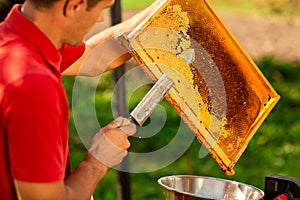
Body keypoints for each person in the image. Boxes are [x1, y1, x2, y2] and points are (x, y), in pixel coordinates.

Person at [0, 0, 163, 199]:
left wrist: (162, 10)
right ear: (74, 6)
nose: (101, 18)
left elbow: (97, 56)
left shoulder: (16, 40)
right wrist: (97, 161)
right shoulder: (33, 86)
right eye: (101, 9)